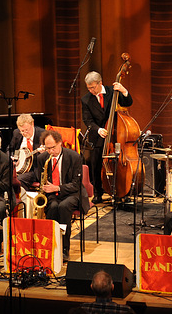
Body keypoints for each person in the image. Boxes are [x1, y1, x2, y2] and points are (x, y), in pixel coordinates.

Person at [33, 129, 87, 260]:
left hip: (72, 193)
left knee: (63, 207)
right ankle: (51, 245)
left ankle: (64, 248)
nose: (50, 151)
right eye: (47, 148)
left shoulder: (74, 157)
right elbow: (41, 179)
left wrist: (57, 187)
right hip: (52, 194)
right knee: (52, 207)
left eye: (53, 148)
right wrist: (46, 187)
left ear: (60, 143)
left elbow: (76, 184)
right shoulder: (42, 158)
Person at [81, 71, 133, 203]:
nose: (91, 90)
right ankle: (98, 193)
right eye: (89, 88)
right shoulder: (86, 99)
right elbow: (87, 120)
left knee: (119, 164)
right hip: (98, 136)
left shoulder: (113, 92)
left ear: (100, 83)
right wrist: (98, 130)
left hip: (116, 135)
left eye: (93, 87)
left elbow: (128, 102)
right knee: (96, 165)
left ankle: (122, 191)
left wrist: (124, 90)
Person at [7, 113, 46, 192]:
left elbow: (50, 153)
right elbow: (10, 149)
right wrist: (14, 158)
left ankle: (22, 201)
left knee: (17, 180)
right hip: (18, 168)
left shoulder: (43, 134)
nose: (24, 133)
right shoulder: (16, 133)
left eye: (26, 130)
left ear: (32, 124)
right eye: (22, 131)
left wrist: (43, 153)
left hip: (34, 169)